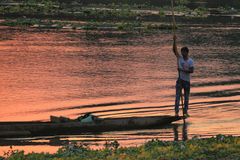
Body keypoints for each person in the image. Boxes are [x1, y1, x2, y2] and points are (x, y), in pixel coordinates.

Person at [173, 35, 194, 117]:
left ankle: (185, 112)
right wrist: (174, 40)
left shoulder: (190, 61)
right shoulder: (179, 58)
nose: (182, 53)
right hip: (180, 80)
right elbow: (174, 50)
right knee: (177, 97)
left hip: (186, 82)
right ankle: (176, 112)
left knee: (186, 98)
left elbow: (191, 71)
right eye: (182, 52)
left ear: (187, 52)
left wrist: (181, 70)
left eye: (184, 52)